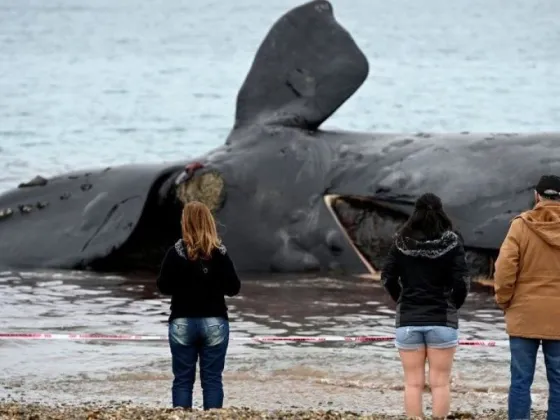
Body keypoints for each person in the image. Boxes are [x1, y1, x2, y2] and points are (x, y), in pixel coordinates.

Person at [381, 192, 470, 419]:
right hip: (442, 319)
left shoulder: (401, 240)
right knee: (440, 384)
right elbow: (461, 281)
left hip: (408, 320)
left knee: (413, 383)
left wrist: (401, 299)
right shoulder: (453, 241)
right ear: (441, 211)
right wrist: (453, 305)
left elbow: (387, 277)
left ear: (416, 212)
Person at [156, 200, 241, 410]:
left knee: (183, 380)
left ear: (185, 222)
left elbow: (163, 286)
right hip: (215, 320)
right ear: (209, 222)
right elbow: (234, 288)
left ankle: (181, 414)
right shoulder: (219, 252)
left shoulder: (175, 252)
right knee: (212, 380)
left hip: (182, 320)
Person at [494, 174, 560, 420]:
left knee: (520, 380)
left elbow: (504, 270)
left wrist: (504, 301)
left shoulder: (521, 225)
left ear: (537, 195)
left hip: (524, 314)